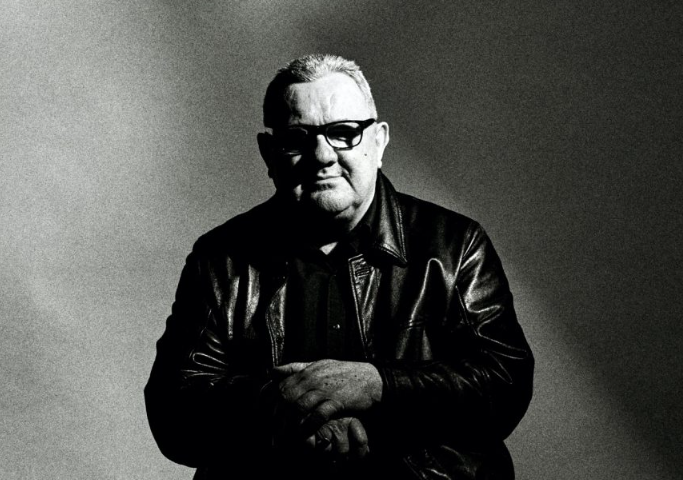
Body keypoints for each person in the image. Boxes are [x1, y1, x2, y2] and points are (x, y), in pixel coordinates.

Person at [145, 53, 534, 480]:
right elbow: (173, 410)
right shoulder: (220, 259)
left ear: (379, 142)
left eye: (344, 132)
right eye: (297, 138)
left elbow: (505, 382)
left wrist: (378, 386)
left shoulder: (454, 245)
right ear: (269, 153)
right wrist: (291, 412)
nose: (322, 155)